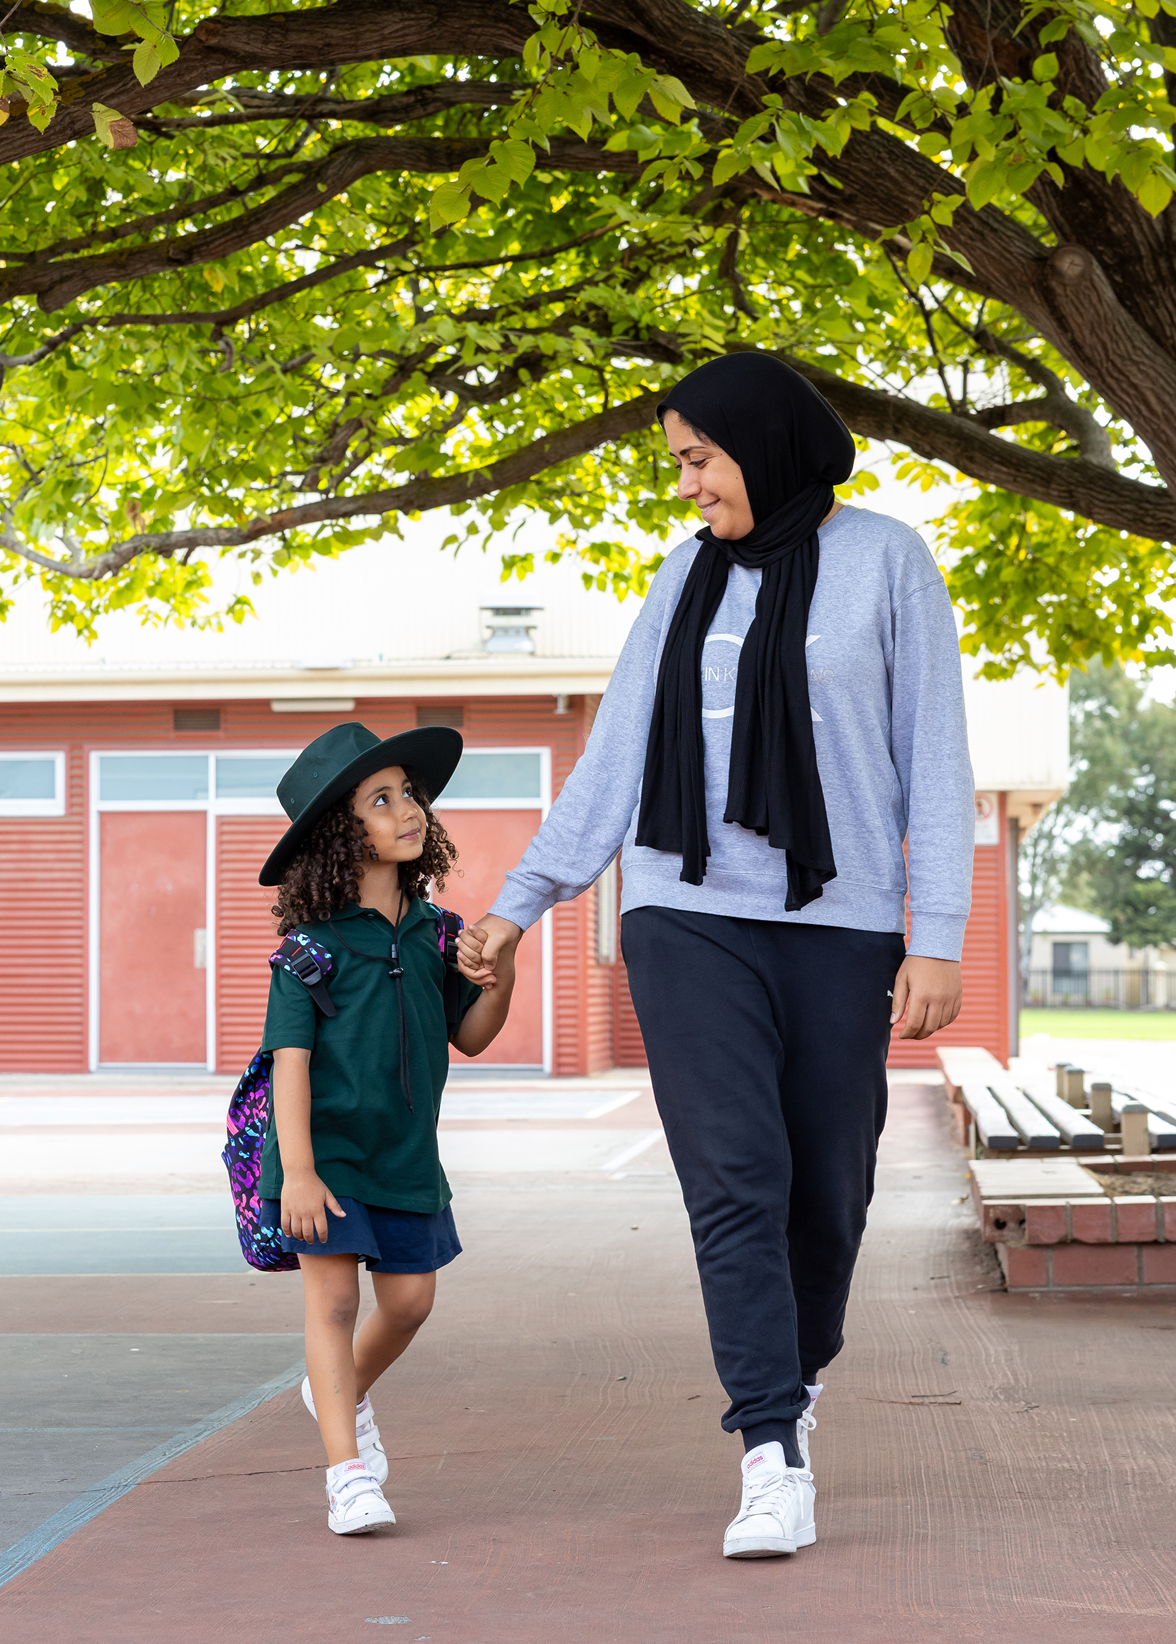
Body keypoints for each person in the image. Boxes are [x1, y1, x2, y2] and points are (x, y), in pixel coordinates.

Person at [458, 354, 974, 1560]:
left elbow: (936, 757)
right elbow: (617, 757)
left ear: (767, 441)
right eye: (678, 463)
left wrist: (937, 936)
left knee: (829, 1197)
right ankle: (770, 1451)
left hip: (840, 921)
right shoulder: (683, 576)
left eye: (700, 458)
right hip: (683, 913)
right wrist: (523, 900)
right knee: (735, 1181)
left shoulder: (888, 562)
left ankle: (793, 1373)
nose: (687, 486)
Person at [256, 721, 516, 1536]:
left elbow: (470, 1036)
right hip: (322, 1155)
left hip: (405, 1154)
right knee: (332, 1302)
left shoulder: (438, 934)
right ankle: (347, 1474)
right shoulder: (310, 950)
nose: (407, 809)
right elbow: (288, 1064)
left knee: (408, 1304)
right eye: (381, 799)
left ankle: (334, 1391)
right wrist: (297, 1172)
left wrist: (495, 974)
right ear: (342, 832)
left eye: (408, 793)